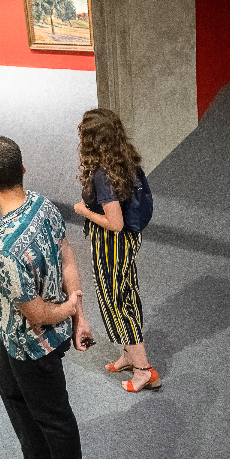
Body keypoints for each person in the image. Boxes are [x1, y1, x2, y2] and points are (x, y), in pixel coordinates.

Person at [0, 135, 93, 459]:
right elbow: (67, 257)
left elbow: (40, 314)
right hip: (16, 336)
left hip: (34, 344)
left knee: (53, 413)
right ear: (23, 169)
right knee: (9, 387)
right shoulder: (44, 206)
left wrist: (73, 310)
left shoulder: (3, 251)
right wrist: (77, 313)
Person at [72, 108, 160, 392]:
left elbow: (115, 223)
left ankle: (143, 369)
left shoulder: (102, 173)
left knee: (120, 303)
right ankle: (127, 354)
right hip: (125, 243)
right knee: (124, 295)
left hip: (113, 245)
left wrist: (83, 211)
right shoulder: (122, 158)